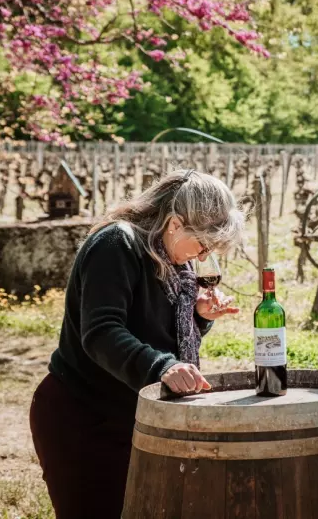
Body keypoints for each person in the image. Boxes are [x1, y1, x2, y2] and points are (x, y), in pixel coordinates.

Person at [29, 170, 242, 519]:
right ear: (174, 224)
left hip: (135, 416)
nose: (203, 257)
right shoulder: (117, 244)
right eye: (203, 245)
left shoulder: (173, 262)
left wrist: (198, 317)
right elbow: (101, 332)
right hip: (84, 417)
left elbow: (154, 334)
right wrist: (163, 367)